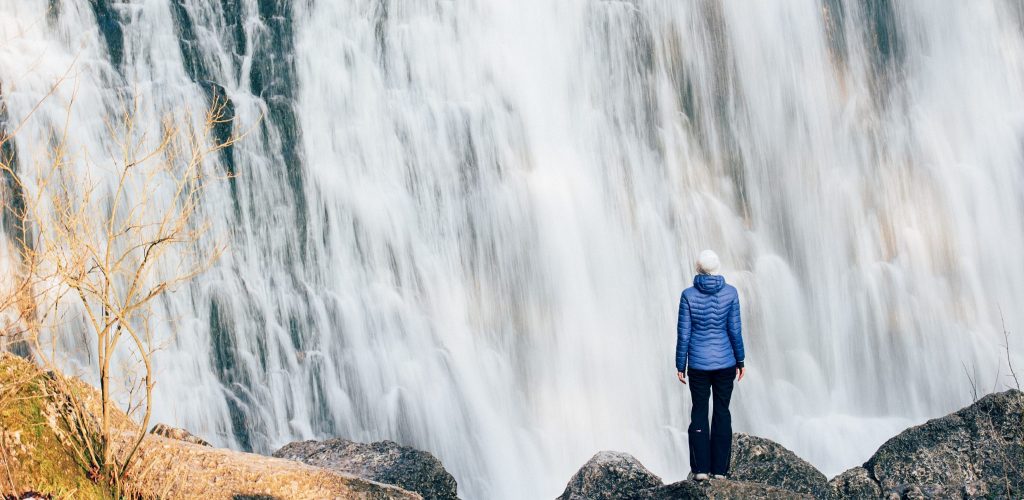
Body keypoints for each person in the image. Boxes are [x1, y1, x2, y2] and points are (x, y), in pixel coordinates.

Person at [675, 249, 746, 481]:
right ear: (717, 268)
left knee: (699, 412)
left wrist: (680, 364)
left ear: (698, 269)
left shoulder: (687, 295)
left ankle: (701, 470)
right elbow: (734, 330)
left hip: (697, 364)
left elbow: (683, 334)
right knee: (722, 412)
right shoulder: (731, 293)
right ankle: (720, 471)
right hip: (725, 362)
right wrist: (740, 359)